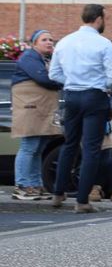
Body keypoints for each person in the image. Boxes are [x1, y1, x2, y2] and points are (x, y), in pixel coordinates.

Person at [48, 4, 112, 213]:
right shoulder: (103, 43)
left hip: (71, 96)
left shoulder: (64, 42)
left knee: (69, 144)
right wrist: (104, 87)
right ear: (99, 19)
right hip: (95, 97)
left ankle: (58, 193)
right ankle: (82, 201)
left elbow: (54, 74)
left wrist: (71, 81)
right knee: (90, 149)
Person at [10, 29, 61, 200]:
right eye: (44, 39)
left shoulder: (44, 60)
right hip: (30, 109)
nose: (49, 42)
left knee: (38, 149)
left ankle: (36, 185)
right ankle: (22, 185)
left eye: (51, 39)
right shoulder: (29, 58)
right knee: (29, 147)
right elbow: (44, 79)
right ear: (34, 44)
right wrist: (62, 80)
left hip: (40, 110)